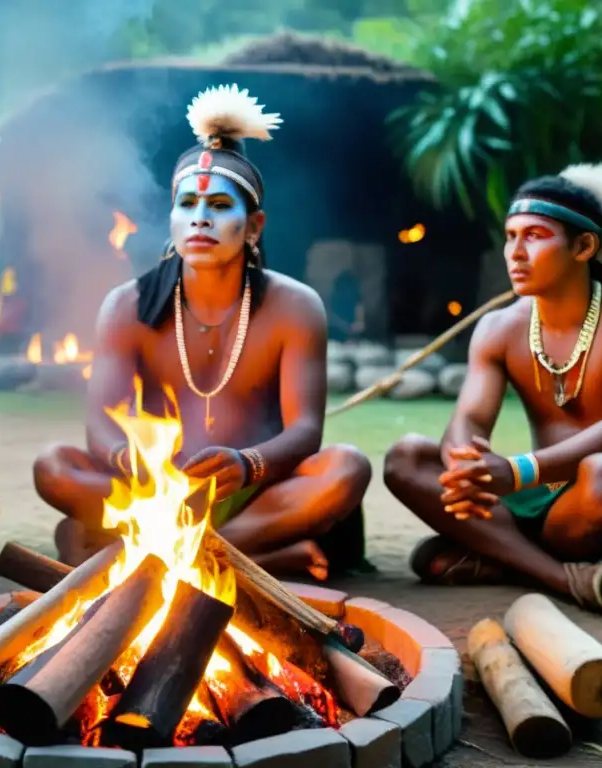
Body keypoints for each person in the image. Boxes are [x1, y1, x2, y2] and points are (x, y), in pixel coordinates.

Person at [33, 84, 371, 579]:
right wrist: (135, 462)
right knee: (54, 465)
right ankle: (259, 560)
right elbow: (99, 426)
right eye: (187, 203)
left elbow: (305, 433)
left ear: (253, 226)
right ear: (172, 219)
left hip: (258, 491)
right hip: (157, 490)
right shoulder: (127, 306)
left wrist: (246, 463)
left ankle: (180, 555)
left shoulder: (295, 307)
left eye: (218, 205)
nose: (200, 218)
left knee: (347, 467)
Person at [383, 162, 602, 612]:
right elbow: (468, 418)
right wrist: (465, 465)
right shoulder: (499, 328)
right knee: (407, 457)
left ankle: (503, 557)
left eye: (535, 236)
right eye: (510, 236)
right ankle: (558, 575)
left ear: (584, 246)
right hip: (549, 500)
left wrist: (517, 471)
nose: (516, 252)